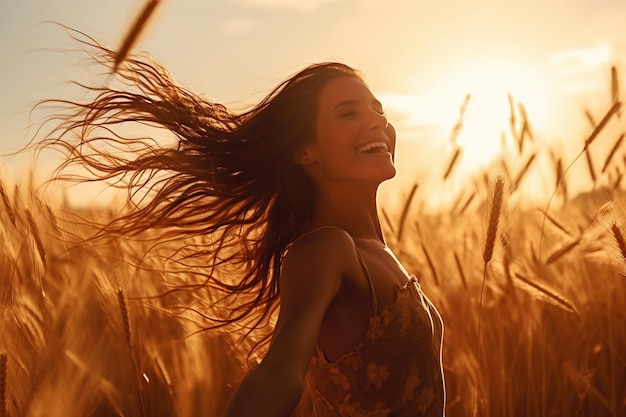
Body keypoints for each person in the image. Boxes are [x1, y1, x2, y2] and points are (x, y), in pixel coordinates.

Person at [39, 32, 445, 417]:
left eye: (378, 109)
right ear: (305, 151)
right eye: (348, 113)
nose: (376, 122)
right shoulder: (326, 250)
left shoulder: (376, 249)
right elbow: (279, 373)